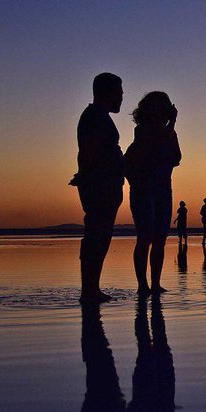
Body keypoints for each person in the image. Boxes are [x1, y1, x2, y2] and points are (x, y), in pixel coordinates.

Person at [71, 72, 125, 304]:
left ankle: (92, 288)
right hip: (100, 186)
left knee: (100, 235)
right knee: (97, 235)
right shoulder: (95, 116)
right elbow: (88, 150)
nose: (122, 97)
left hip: (104, 184)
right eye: (120, 92)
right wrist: (85, 175)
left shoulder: (97, 116)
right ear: (109, 93)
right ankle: (89, 289)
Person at [124, 91, 181, 295]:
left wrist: (171, 129)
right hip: (144, 192)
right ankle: (143, 285)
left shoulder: (169, 133)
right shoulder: (143, 132)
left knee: (160, 239)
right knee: (145, 237)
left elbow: (175, 158)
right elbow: (154, 148)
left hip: (164, 191)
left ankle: (155, 283)